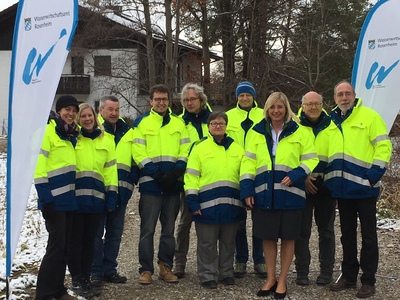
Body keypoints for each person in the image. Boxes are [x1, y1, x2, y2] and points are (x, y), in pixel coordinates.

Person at [240, 92, 318, 299]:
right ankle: (271, 278)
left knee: (288, 237)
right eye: (272, 107)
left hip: (291, 193)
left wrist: (297, 174)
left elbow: (311, 158)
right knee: (268, 237)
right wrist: (247, 188)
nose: (276, 111)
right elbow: (248, 162)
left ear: (286, 109)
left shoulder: (300, 131)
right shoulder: (256, 132)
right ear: (266, 109)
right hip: (264, 193)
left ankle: (282, 280)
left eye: (280, 107)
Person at [328, 81, 392, 298]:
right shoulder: (332, 120)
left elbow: (384, 146)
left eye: (347, 94)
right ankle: (348, 276)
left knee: (368, 236)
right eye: (340, 94)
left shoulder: (370, 117)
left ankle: (368, 280)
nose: (344, 97)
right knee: (346, 235)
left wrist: (374, 175)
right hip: (342, 189)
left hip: (364, 187)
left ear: (355, 95)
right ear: (335, 98)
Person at [132, 84, 190, 285]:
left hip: (173, 185)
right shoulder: (141, 123)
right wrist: (156, 175)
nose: (161, 102)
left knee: (169, 229)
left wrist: (176, 172)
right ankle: (145, 269)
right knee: (147, 230)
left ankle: (165, 267)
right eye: (157, 99)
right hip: (151, 184)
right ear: (151, 101)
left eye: (164, 99)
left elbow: (185, 149)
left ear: (169, 101)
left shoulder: (178, 124)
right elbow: (138, 152)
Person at [185, 111, 246, 289]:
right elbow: (191, 177)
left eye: (221, 123)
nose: (217, 126)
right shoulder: (199, 148)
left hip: (232, 204)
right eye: (214, 123)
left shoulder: (237, 149)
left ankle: (226, 272)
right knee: (207, 243)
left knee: (228, 242)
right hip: (206, 205)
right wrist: (192, 201)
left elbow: (244, 175)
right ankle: (207, 275)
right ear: (208, 126)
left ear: (226, 126)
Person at [68, 104, 118, 297]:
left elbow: (110, 170)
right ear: (78, 119)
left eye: (90, 115)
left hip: (96, 199)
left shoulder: (107, 140)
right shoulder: (73, 139)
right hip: (75, 199)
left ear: (95, 117)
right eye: (83, 116)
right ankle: (77, 279)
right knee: (76, 241)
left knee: (90, 242)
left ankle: (87, 278)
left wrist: (111, 194)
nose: (87, 119)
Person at [34, 95, 80, 300]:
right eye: (66, 110)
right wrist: (45, 198)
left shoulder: (70, 135)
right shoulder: (48, 132)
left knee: (65, 247)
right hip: (53, 201)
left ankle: (58, 289)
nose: (70, 114)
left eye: (73, 110)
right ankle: (44, 293)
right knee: (55, 248)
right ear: (58, 111)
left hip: (68, 200)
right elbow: (38, 168)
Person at [91, 96, 137, 287]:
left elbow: (136, 160)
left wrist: (131, 182)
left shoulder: (129, 132)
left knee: (115, 233)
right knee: (96, 233)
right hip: (99, 191)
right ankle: (95, 271)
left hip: (122, 191)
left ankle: (110, 269)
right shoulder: (93, 131)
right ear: (100, 111)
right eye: (110, 109)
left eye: (117, 110)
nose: (114, 113)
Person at [294, 92, 336, 286]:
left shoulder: (333, 126)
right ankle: (302, 271)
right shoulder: (294, 127)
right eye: (309, 104)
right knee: (301, 231)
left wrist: (326, 178)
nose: (313, 107)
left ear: (322, 104)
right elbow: (290, 157)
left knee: (326, 231)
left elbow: (338, 154)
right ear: (302, 106)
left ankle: (326, 271)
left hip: (326, 186)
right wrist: (302, 178)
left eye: (316, 104)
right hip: (302, 186)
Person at [226, 81, 266, 278]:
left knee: (260, 220)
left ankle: (260, 260)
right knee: (238, 221)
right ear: (237, 97)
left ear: (253, 96)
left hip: (258, 171)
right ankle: (240, 259)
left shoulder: (263, 115)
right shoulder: (229, 116)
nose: (244, 98)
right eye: (241, 95)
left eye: (247, 95)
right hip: (234, 173)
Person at [173, 83, 212, 278]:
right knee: (185, 222)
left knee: (211, 223)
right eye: (186, 100)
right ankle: (179, 262)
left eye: (192, 99)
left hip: (211, 178)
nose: (189, 103)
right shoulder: (179, 123)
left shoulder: (213, 121)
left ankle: (210, 264)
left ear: (201, 99)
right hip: (188, 179)